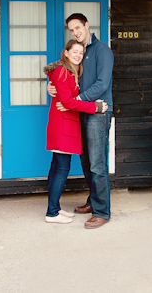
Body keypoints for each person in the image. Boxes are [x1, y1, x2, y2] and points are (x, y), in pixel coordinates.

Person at [48, 13, 114, 229]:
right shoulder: (79, 52)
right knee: (86, 162)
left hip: (97, 112)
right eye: (71, 29)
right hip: (81, 111)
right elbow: (63, 76)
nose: (75, 32)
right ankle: (92, 201)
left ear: (87, 25)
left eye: (78, 27)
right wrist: (52, 89)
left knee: (97, 163)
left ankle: (102, 211)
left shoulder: (102, 50)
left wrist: (75, 100)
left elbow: (102, 84)